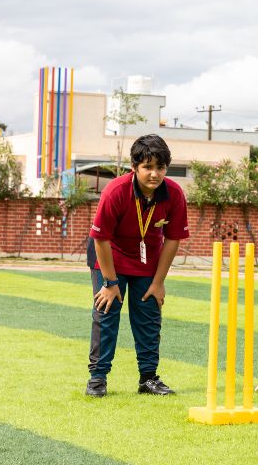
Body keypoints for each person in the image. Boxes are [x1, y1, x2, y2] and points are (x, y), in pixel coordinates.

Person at [85, 134, 189, 397]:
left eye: (160, 168)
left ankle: (148, 378)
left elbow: (174, 239)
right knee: (106, 314)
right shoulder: (115, 191)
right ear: (135, 167)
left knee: (149, 319)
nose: (154, 174)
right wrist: (110, 283)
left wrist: (158, 282)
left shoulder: (174, 194)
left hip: (147, 260)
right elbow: (101, 239)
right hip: (109, 256)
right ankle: (97, 379)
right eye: (148, 167)